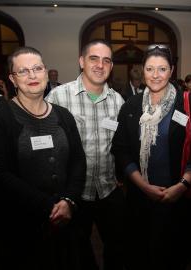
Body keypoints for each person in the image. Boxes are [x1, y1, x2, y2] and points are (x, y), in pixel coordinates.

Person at [111, 44, 191, 270]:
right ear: (142, 71)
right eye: (150, 69)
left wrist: (183, 185)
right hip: (140, 198)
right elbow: (121, 149)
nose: (155, 75)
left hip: (178, 198)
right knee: (142, 254)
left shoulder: (188, 104)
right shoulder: (131, 105)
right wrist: (142, 186)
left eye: (162, 69)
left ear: (172, 71)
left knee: (174, 255)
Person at [0, 46, 87, 270]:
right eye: (23, 71)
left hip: (67, 221)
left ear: (46, 72)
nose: (32, 75)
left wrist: (68, 201)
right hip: (21, 225)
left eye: (37, 68)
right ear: (12, 79)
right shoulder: (1, 116)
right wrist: (49, 206)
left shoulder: (63, 115)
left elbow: (78, 161)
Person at [46, 39, 125, 270]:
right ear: (81, 61)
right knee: (76, 251)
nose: (100, 65)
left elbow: (119, 144)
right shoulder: (58, 97)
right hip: (74, 193)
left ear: (111, 67)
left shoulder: (117, 101)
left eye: (106, 60)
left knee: (118, 247)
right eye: (94, 58)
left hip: (108, 188)